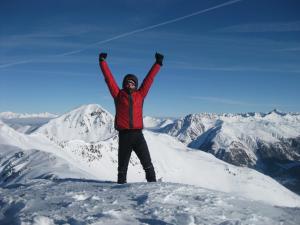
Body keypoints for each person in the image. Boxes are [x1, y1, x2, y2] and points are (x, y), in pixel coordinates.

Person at [99, 52, 164, 184]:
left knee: (147, 163)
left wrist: (157, 64)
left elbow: (149, 79)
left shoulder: (140, 94)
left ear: (135, 85)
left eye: (132, 83)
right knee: (122, 167)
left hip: (138, 135)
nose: (130, 84)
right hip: (124, 136)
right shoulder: (118, 95)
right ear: (124, 84)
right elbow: (109, 79)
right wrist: (102, 62)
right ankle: (120, 190)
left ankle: (153, 186)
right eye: (128, 83)